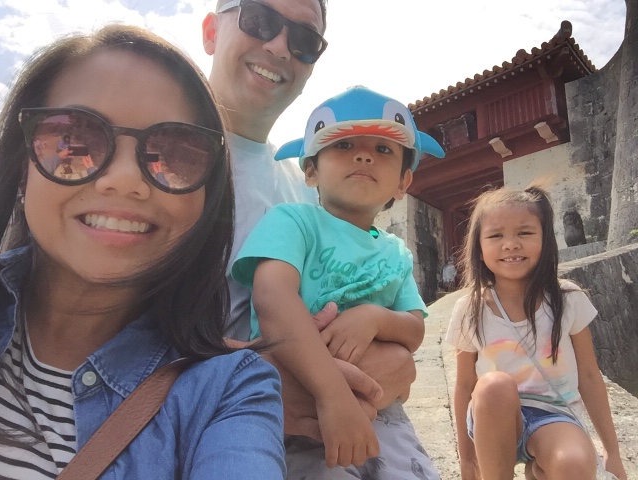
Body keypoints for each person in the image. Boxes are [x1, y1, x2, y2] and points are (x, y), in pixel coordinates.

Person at [0, 25, 285, 479]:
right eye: (73, 140)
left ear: (207, 199)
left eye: (176, 154)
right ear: (22, 168)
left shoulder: (232, 390)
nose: (124, 179)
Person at [202, 0, 423, 455]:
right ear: (210, 31)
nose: (279, 46)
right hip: (235, 429)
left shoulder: (310, 199)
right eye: (259, 19)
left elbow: (404, 350)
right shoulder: (151, 157)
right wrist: (309, 387)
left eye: (305, 39)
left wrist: (389, 362)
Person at [232, 86, 445, 478]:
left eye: (384, 149)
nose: (363, 155)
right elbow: (272, 297)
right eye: (343, 145)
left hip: (382, 412)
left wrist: (374, 318)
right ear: (310, 171)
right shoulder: (292, 221)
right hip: (296, 411)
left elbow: (414, 329)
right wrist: (331, 395)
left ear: (403, 182)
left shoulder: (397, 253)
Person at [445, 185, 627, 480]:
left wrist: (612, 452)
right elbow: (465, 384)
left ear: (545, 239)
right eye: (496, 236)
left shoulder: (567, 299)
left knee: (574, 463)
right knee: (493, 386)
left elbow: (589, 376)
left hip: (554, 415)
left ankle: (540, 467)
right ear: (478, 246)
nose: (510, 244)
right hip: (492, 418)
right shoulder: (470, 309)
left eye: (525, 233)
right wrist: (467, 460)